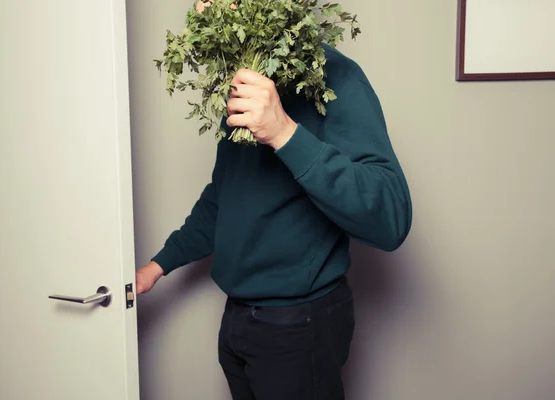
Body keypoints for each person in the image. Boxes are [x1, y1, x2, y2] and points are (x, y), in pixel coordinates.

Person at [136, 2, 412, 399]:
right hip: (237, 322)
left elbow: (391, 219)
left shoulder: (337, 76)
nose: (202, 9)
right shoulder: (242, 83)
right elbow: (225, 195)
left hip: (299, 327)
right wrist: (158, 265)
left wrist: (283, 132)